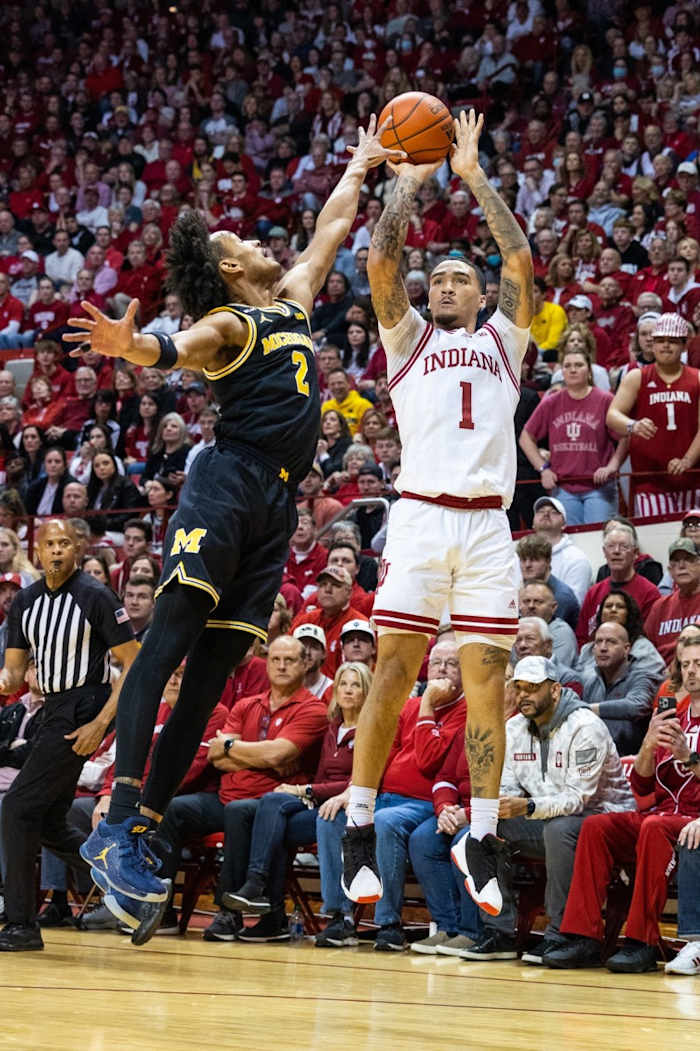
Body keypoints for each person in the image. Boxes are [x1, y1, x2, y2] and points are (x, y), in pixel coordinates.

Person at [71, 118, 401, 933]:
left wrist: (360, 165)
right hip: (226, 481)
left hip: (277, 501)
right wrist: (134, 345)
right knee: (168, 641)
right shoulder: (231, 324)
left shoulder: (289, 302)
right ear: (227, 267)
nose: (260, 240)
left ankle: (143, 829)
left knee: (215, 673)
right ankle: (115, 820)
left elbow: (329, 227)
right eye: (242, 238)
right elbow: (178, 345)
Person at [342, 109, 534, 919]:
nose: (448, 284)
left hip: (489, 523)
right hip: (421, 516)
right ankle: (357, 821)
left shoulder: (504, 341)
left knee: (487, 679)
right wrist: (409, 183)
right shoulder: (407, 338)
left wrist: (473, 171)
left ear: (483, 293)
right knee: (395, 668)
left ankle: (481, 834)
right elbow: (384, 257)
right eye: (441, 277)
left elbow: (522, 256)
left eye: (462, 277)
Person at [0, 520, 139, 951]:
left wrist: (100, 724)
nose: (57, 551)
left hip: (84, 706)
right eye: (49, 544)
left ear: (77, 549)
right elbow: (14, 677)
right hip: (52, 709)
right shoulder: (24, 601)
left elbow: (133, 665)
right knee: (46, 821)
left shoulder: (96, 596)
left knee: (17, 808)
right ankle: (130, 884)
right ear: (36, 552)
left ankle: (21, 924)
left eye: (65, 543)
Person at [153, 635, 328, 943]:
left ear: (305, 664)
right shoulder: (248, 704)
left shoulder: (313, 709)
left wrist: (236, 748)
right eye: (275, 659)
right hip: (225, 797)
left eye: (289, 660)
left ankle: (229, 913)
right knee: (173, 810)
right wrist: (258, 756)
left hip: (271, 805)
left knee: (239, 812)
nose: (281, 666)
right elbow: (216, 757)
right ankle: (159, 907)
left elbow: (276, 754)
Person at [462, 656, 634, 964]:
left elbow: (577, 799)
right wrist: (496, 808)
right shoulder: (514, 728)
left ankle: (563, 934)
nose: (523, 695)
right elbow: (508, 788)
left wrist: (526, 806)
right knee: (485, 829)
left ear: (554, 691)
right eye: (519, 688)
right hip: (548, 817)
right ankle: (500, 931)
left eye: (533, 688)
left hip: (606, 822)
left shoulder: (585, 727)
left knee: (560, 829)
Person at [546, 636, 700, 974]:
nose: (691, 671)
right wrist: (648, 742)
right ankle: (581, 935)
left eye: (698, 664)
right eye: (686, 664)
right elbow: (642, 784)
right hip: (663, 814)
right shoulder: (675, 713)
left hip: (693, 819)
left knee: (653, 826)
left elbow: (687, 766)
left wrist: (689, 758)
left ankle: (641, 942)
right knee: (598, 826)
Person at [221, 661, 370, 945]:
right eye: (343, 684)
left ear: (367, 692)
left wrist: (304, 788)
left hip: (348, 807)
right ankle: (259, 889)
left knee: (275, 826)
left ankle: (274, 903)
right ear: (335, 690)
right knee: (268, 805)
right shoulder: (333, 727)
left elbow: (356, 781)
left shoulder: (370, 730)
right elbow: (324, 773)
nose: (348, 691)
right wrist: (305, 788)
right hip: (320, 802)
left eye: (356, 685)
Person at [519, 344, 625, 525]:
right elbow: (526, 437)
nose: (573, 370)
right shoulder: (551, 402)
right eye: (567, 366)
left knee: (597, 540)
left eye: (578, 365)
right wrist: (543, 469)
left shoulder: (605, 399)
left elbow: (625, 435)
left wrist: (612, 466)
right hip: (564, 487)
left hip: (599, 487)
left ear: (589, 370)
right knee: (570, 541)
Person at [607, 313, 700, 516]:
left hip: (693, 476)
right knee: (657, 536)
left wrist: (687, 460)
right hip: (649, 478)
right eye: (660, 340)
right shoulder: (637, 377)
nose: (665, 346)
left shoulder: (697, 378)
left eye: (673, 341)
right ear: (652, 344)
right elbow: (612, 415)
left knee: (694, 540)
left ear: (685, 345)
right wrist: (633, 425)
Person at [579, 621, 665, 754]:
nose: (603, 648)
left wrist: (587, 709)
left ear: (626, 649)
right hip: (595, 758)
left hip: (632, 760)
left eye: (611, 642)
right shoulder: (590, 680)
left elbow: (637, 705)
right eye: (598, 642)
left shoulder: (641, 676)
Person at [576, 524, 661, 646]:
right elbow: (582, 637)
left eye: (624, 547)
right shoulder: (594, 592)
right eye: (611, 546)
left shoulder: (649, 593)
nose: (616, 551)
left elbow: (649, 639)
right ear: (604, 552)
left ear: (635, 553)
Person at [645, 539, 700, 664]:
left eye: (688, 559)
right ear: (670, 570)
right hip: (663, 676)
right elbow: (646, 650)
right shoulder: (660, 607)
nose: (681, 565)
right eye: (675, 561)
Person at [531, 496, 592, 603]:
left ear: (564, 524)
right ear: (533, 523)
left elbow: (574, 604)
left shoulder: (577, 559)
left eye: (554, 512)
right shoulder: (519, 557)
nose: (546, 514)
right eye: (540, 511)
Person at [516, 534, 579, 630]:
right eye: (523, 560)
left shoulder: (561, 596)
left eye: (534, 559)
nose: (527, 565)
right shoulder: (518, 590)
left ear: (548, 561)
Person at [292, 623, 333, 698]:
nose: (307, 652)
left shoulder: (332, 690)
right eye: (302, 647)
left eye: (314, 647)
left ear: (324, 653)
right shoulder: (284, 686)